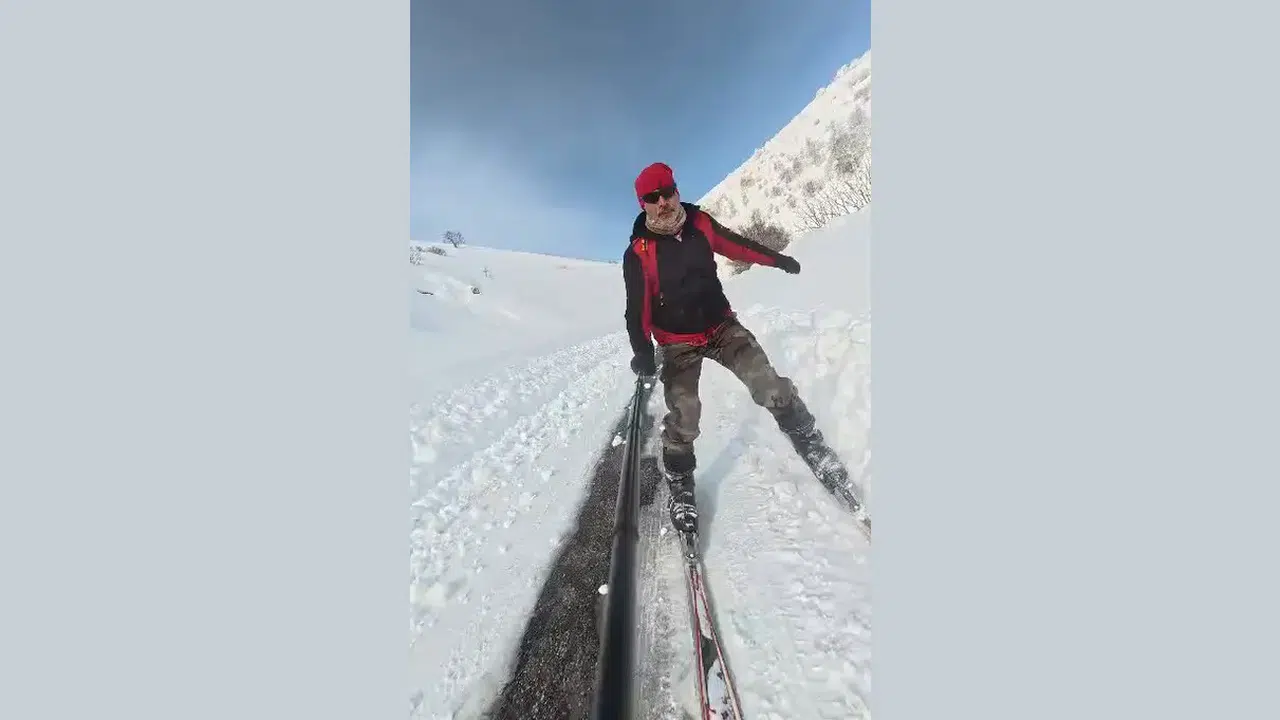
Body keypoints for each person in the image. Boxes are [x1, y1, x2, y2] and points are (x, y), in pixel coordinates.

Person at [622, 161, 831, 536]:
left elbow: (737, 246)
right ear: (643, 204)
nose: (663, 202)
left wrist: (777, 259)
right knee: (685, 416)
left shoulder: (700, 224)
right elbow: (637, 308)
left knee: (769, 384)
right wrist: (642, 350)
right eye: (653, 198)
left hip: (721, 327)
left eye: (667, 192)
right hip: (677, 343)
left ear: (676, 191)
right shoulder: (639, 252)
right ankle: (680, 483)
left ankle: (809, 439)